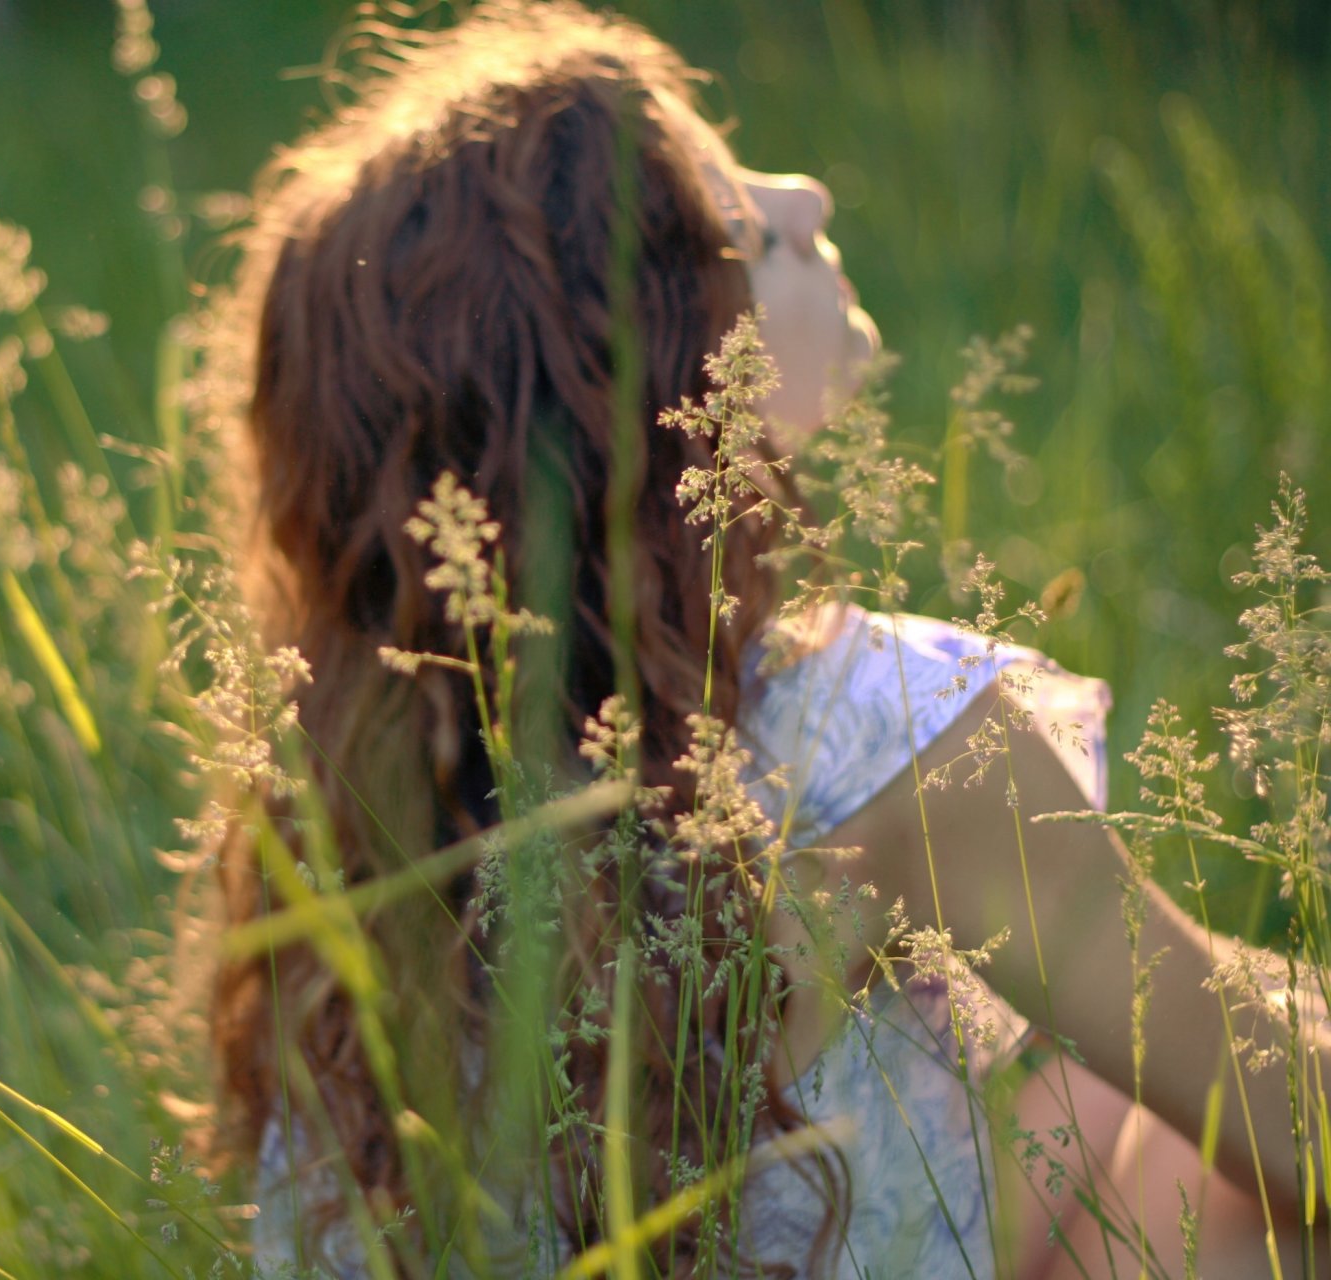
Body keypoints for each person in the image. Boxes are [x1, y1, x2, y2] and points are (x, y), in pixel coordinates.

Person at [199, 3, 1323, 1275]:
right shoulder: (872, 729)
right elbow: (1297, 1119)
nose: (806, 195)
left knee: (1090, 1099)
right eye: (735, 218)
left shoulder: (360, 792)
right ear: (641, 376)